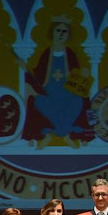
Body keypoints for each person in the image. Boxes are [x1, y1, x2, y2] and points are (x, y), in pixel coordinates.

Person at [21, 16, 94, 148]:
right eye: (58, 30)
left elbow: (78, 75)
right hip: (49, 94)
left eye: (64, 31)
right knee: (38, 101)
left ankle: (54, 135)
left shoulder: (70, 54)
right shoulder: (46, 53)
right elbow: (37, 74)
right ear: (52, 32)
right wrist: (26, 69)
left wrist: (84, 73)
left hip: (68, 94)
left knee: (79, 101)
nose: (61, 34)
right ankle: (65, 135)